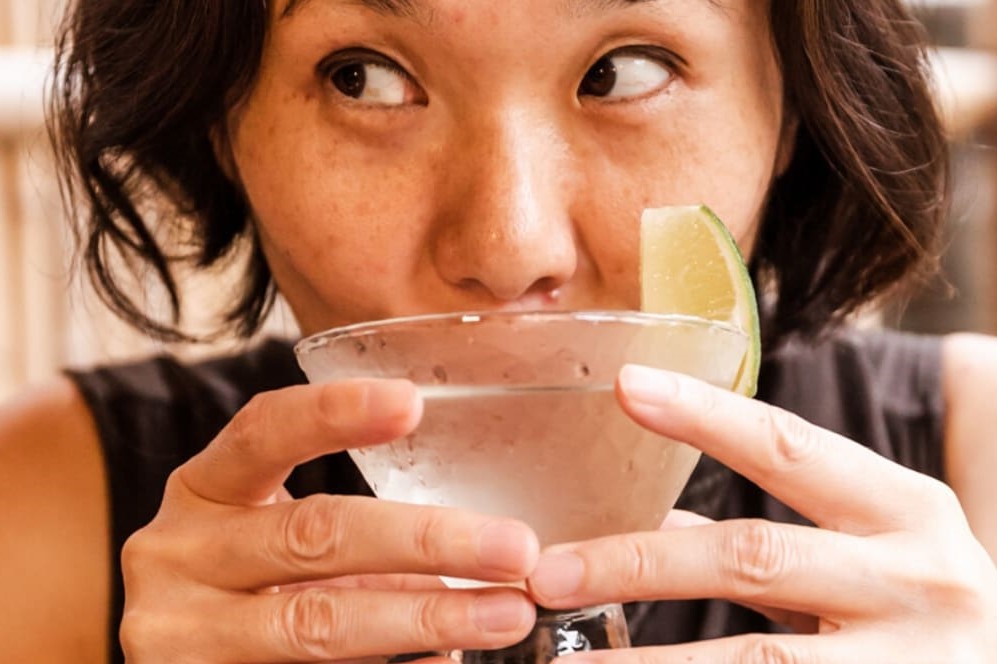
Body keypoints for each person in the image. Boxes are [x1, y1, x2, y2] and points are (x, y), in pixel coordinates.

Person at [2, 0, 996, 661]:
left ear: (791, 110)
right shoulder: (47, 506)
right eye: (362, 77)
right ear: (221, 126)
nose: (510, 246)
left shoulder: (975, 457)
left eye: (621, 71)